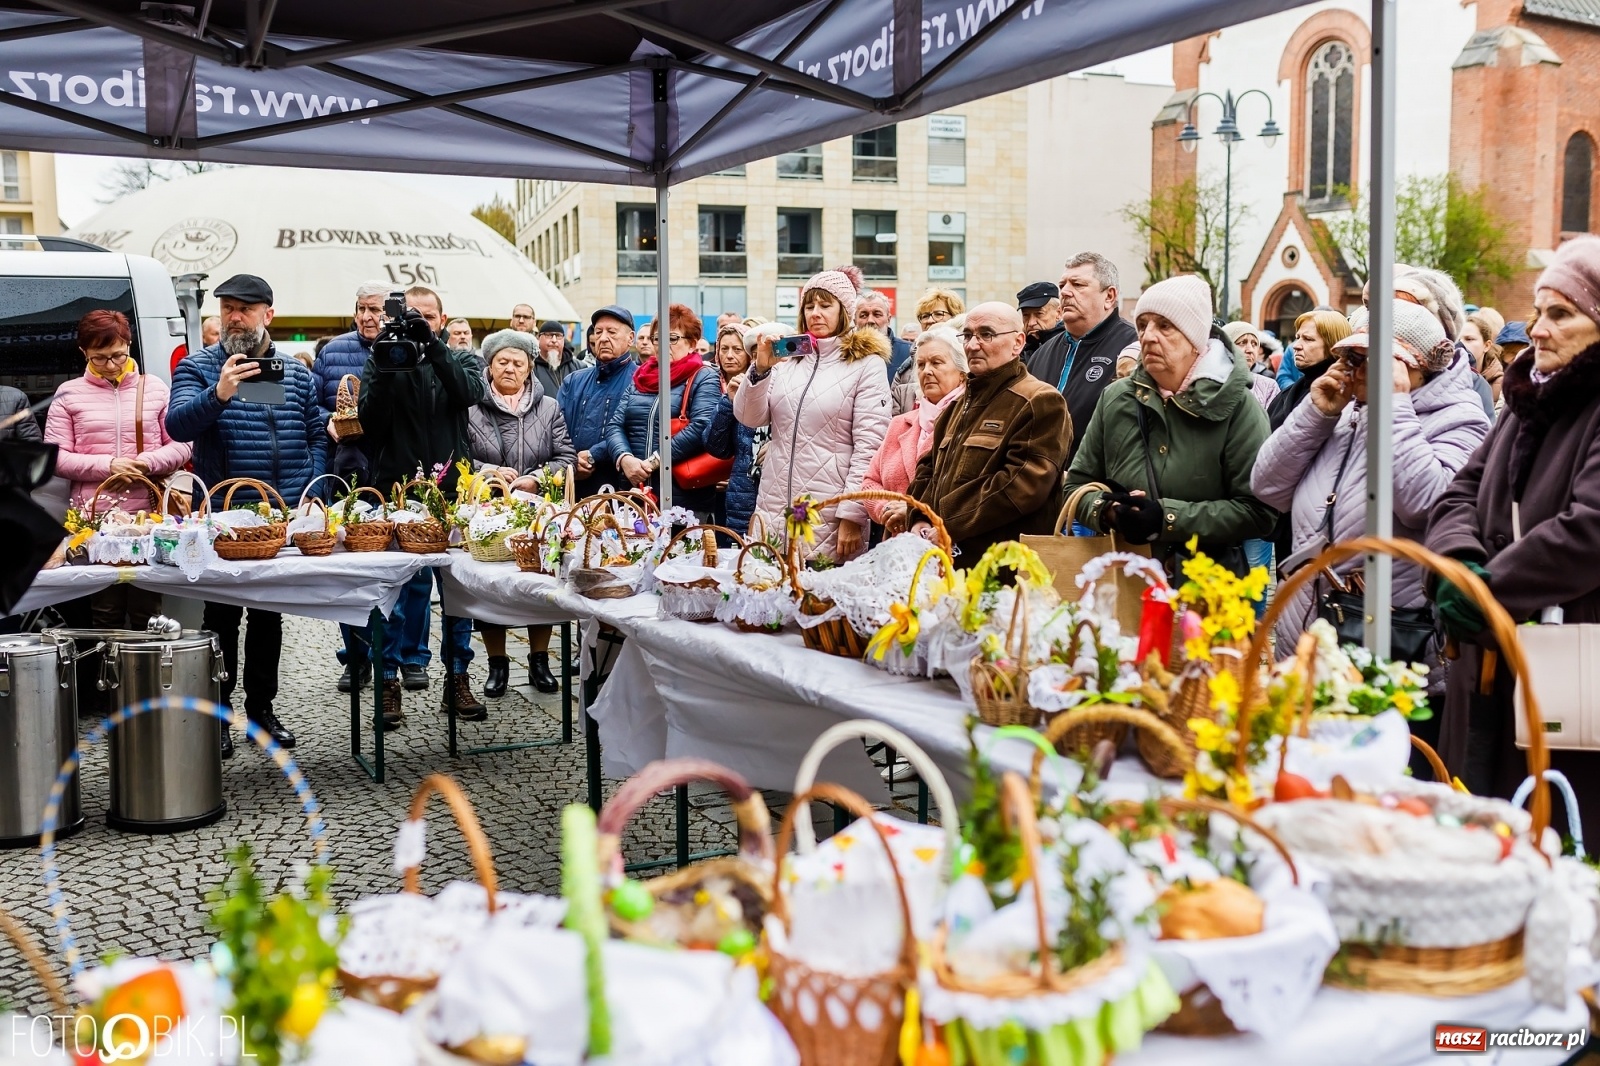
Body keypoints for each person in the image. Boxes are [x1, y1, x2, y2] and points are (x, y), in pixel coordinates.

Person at [1427, 234, 1600, 834]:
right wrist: (1458, 568)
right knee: (1477, 817)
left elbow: (1589, 529)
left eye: (1561, 314)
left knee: (1553, 819)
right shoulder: (1525, 400)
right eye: (1537, 313)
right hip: (1486, 655)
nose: (1540, 330)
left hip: (1570, 651)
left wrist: (1489, 589)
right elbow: (1458, 495)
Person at [1252, 299, 1488, 656]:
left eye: (1369, 360)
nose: (1356, 371)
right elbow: (1266, 486)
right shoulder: (1346, 409)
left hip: (1389, 639)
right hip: (1306, 633)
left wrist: (1393, 405)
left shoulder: (1461, 418)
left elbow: (1427, 507)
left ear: (1417, 367)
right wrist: (1316, 414)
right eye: (1351, 359)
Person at [165, 275, 324, 754]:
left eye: (245, 308)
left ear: (267, 316)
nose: (234, 316)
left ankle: (261, 711)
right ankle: (218, 714)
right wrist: (219, 393)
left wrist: (309, 488)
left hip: (282, 513)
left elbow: (315, 432)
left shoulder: (293, 374)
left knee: (269, 614)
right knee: (222, 615)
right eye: (228, 307)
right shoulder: (200, 367)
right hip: (225, 514)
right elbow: (176, 425)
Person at [1065, 274, 1275, 577]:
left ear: (1195, 338)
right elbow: (1076, 485)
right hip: (1125, 588)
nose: (1148, 336)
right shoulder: (1115, 399)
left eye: (1164, 325)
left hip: (1206, 599)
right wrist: (1109, 511)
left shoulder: (1238, 406)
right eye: (1142, 325)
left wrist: (1167, 518)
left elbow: (1260, 512)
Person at [355, 284, 487, 728]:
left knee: (457, 589)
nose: (420, 324)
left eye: (428, 318)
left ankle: (457, 677)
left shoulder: (461, 356)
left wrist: (433, 348)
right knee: (393, 590)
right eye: (414, 316)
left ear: (442, 320)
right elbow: (370, 419)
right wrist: (395, 361)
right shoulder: (382, 356)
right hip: (398, 488)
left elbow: (468, 393)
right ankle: (388, 679)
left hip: (451, 489)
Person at [45, 309, 191, 629]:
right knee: (103, 612)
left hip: (148, 519)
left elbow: (183, 444)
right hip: (93, 522)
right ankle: (106, 679)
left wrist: (148, 462)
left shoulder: (153, 388)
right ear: (84, 353)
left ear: (129, 344)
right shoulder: (69, 394)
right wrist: (107, 465)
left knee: (147, 611)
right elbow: (55, 458)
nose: (111, 366)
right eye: (99, 358)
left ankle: (145, 678)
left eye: (118, 355)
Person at [737, 266, 892, 562]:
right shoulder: (788, 359)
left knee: (817, 603)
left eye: (825, 305)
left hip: (828, 511)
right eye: (809, 306)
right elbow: (749, 417)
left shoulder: (866, 365)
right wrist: (760, 370)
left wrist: (853, 514)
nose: (815, 313)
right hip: (774, 507)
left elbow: (870, 447)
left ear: (844, 311)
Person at [900, 305, 1070, 559]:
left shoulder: (1039, 401)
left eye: (986, 334)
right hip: (949, 563)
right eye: (967, 335)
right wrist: (919, 519)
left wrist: (946, 521)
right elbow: (928, 470)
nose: (972, 345)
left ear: (1018, 342)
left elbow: (1021, 485)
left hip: (1002, 568)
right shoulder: (957, 405)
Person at [467, 329, 576, 700]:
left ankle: (539, 659)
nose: (510, 368)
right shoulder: (471, 407)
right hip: (488, 513)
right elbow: (457, 457)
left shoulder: (549, 408)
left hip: (537, 512)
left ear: (531, 367)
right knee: (489, 589)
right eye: (503, 361)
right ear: (490, 364)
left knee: (538, 586)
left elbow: (566, 458)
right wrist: (487, 473)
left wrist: (537, 479)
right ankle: (498, 664)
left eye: (518, 362)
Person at [605, 302, 723, 517]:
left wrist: (654, 461)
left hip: (683, 500)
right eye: (658, 338)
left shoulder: (703, 376)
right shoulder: (640, 377)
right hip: (635, 493)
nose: (663, 345)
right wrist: (625, 458)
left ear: (692, 343)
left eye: (673, 338)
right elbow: (615, 424)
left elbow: (701, 425)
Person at [1025, 252, 1138, 461]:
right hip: (1037, 483)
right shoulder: (1041, 354)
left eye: (1077, 284)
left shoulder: (1133, 348)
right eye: (1062, 285)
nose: (1065, 292)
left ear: (1109, 296)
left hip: (1095, 486)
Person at [862, 325, 966, 529]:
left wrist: (913, 511)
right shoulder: (901, 424)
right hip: (900, 546)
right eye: (921, 364)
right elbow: (870, 482)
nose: (927, 371)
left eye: (937, 363)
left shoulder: (970, 421)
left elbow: (969, 494)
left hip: (949, 545)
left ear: (962, 372)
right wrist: (886, 510)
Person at [313, 281, 388, 492]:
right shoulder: (331, 351)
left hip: (393, 469)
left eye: (374, 309)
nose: (365, 317)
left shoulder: (406, 354)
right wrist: (328, 420)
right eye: (361, 309)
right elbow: (311, 404)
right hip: (344, 469)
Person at [557, 306, 636, 500]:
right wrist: (571, 461)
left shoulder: (640, 381)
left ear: (630, 338)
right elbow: (555, 428)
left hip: (619, 487)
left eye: (612, 332)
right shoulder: (574, 381)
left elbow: (636, 431)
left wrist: (595, 454)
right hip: (573, 483)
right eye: (598, 332)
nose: (603, 338)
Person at [703, 323, 768, 541]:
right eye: (724, 349)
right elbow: (715, 446)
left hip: (766, 489)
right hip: (738, 493)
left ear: (751, 354)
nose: (729, 356)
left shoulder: (771, 382)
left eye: (737, 349)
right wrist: (729, 402)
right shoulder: (722, 387)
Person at [1267, 309, 1351, 430]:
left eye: (1308, 339)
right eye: (1298, 337)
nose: (1296, 346)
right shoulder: (1289, 393)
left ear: (1333, 345)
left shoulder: (1342, 397)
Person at [894, 289, 967, 415]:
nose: (930, 320)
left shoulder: (970, 357)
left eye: (938, 314)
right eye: (924, 316)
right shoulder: (905, 368)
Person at [856, 289, 914, 383]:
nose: (870, 320)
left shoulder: (909, 352)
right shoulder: (843, 355)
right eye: (863, 315)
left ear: (888, 319)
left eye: (877, 314)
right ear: (855, 321)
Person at [1223, 321, 1280, 408]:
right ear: (1226, 346)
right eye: (1242, 343)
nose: (1250, 350)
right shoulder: (1211, 383)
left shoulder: (1269, 387)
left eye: (1254, 344)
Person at [1463, 307, 1506, 406]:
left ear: (1487, 345)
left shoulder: (1502, 384)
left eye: (1469, 339)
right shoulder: (1446, 378)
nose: (1462, 344)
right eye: (1458, 339)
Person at [534, 320, 585, 398]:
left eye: (558, 336)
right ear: (539, 338)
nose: (554, 340)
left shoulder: (579, 367)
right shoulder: (530, 367)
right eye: (549, 335)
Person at [1018, 282, 1064, 361]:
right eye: (1026, 315)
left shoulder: (1070, 347)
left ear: (1059, 313)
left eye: (1039, 314)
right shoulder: (1017, 349)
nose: (1031, 323)